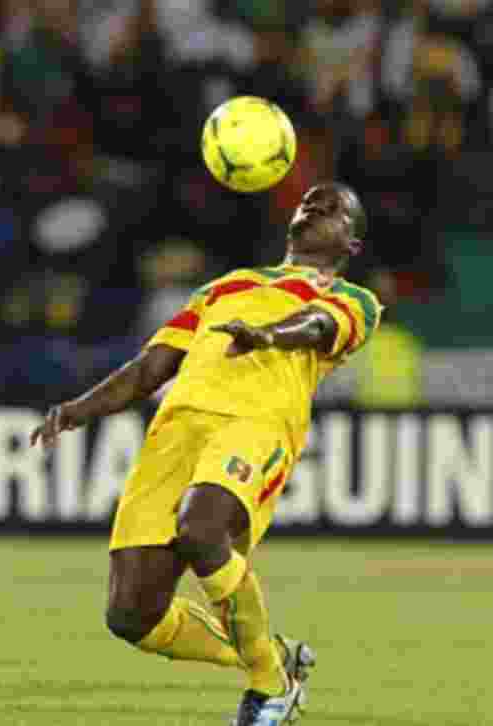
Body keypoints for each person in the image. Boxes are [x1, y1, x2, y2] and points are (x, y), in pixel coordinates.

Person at [31, 183, 381, 726]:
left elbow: (318, 328)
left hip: (256, 423)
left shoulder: (354, 299)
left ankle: (271, 686)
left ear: (352, 243)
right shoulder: (224, 287)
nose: (316, 207)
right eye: (310, 201)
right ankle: (273, 651)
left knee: (201, 529)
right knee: (131, 615)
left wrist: (266, 336)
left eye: (334, 208)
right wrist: (79, 408)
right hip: (175, 430)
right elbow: (152, 367)